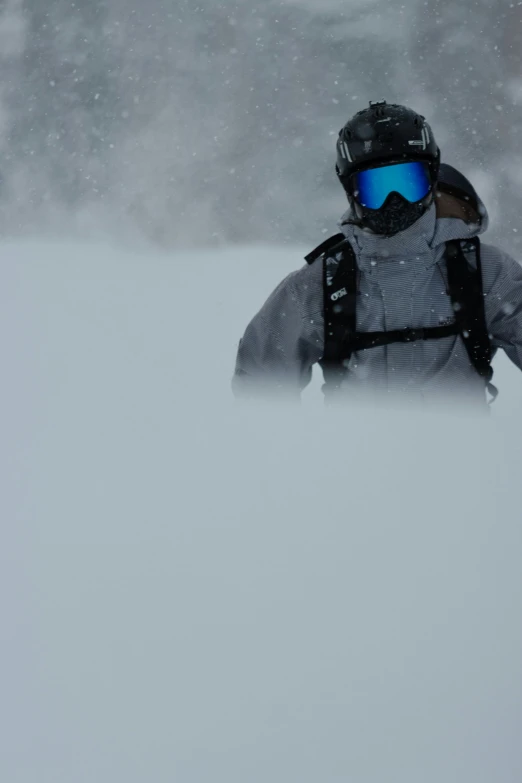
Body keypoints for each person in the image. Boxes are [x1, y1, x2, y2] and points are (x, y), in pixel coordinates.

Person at [232, 100, 522, 407]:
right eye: (376, 187)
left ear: (432, 177)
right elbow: (259, 393)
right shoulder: (322, 284)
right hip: (353, 452)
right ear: (350, 190)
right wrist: (292, 450)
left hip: (467, 452)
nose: (394, 200)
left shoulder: (485, 272)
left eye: (408, 182)